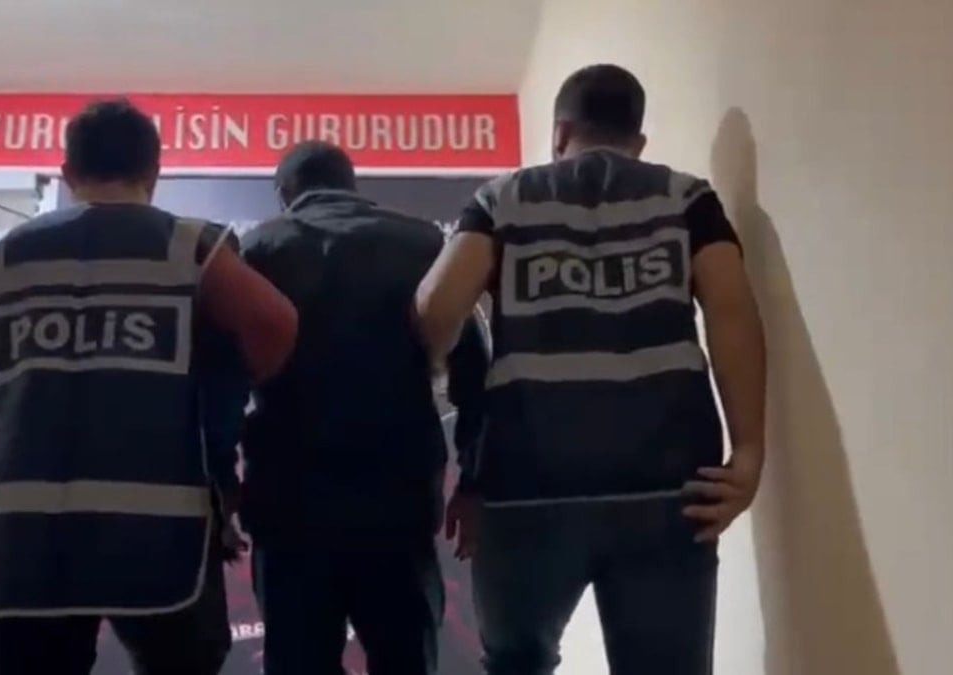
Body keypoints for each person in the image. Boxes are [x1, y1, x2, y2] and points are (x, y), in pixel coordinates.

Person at [414, 64, 768, 675]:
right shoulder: (686, 198)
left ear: (559, 133)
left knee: (517, 663)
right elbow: (732, 312)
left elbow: (436, 308)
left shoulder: (504, 199)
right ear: (639, 141)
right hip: (665, 484)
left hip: (527, 486)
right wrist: (749, 452)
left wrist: (442, 375)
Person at [0, 99, 298, 675]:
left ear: (67, 173)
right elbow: (275, 324)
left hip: (23, 545)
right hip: (159, 537)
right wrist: (223, 386)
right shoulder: (187, 246)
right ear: (153, 171)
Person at [235, 141, 489, 675]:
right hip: (397, 504)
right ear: (352, 186)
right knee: (405, 661)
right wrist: (473, 480)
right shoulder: (423, 243)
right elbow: (476, 369)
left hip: (290, 506)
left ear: (284, 194)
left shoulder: (254, 250)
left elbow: (216, 377)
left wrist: (217, 482)